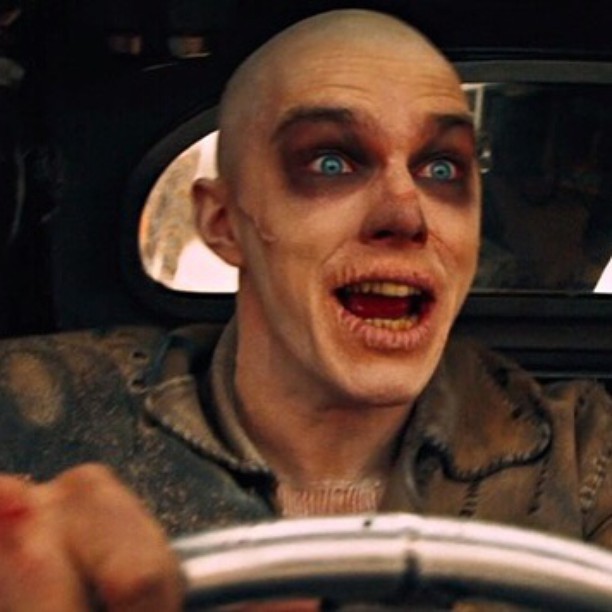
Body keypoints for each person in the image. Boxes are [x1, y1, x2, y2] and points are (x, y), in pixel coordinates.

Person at [0, 8, 610, 611]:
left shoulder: (582, 454)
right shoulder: (31, 410)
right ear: (224, 223)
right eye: (331, 162)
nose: (406, 214)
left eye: (442, 168)